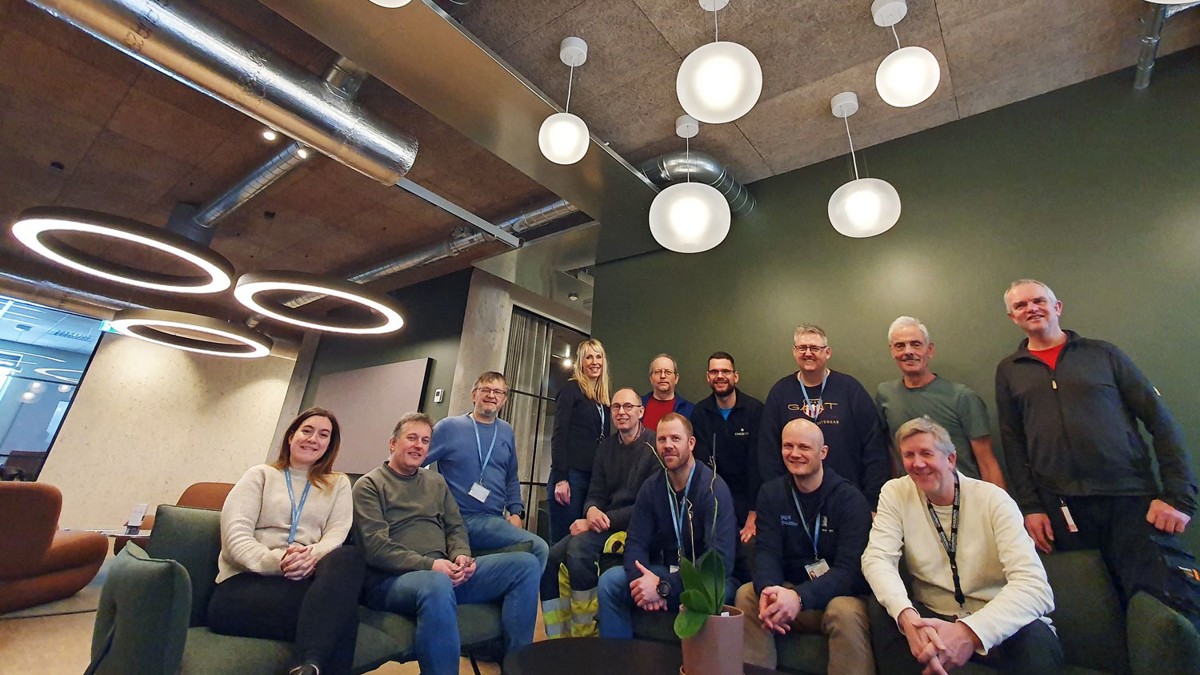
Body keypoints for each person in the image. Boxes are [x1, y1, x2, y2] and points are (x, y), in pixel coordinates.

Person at [994, 278, 1200, 627]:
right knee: (1097, 616)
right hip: (1063, 510)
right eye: (1021, 306)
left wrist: (1180, 497)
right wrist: (1030, 507)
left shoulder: (1103, 354)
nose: (1031, 308)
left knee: (1167, 608)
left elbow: (1160, 421)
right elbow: (1013, 444)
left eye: (1039, 301)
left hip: (1132, 502)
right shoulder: (1009, 371)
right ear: (1012, 317)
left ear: (1057, 307)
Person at [862, 417, 1062, 675]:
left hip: (996, 618)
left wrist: (969, 632)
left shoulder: (993, 500)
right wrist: (906, 615)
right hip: (932, 618)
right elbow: (876, 558)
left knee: (1036, 639)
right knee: (882, 610)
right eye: (909, 455)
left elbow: (1036, 589)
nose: (918, 463)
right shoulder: (895, 492)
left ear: (951, 459)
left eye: (926, 453)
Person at [354, 412, 539, 675]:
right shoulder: (369, 485)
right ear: (393, 443)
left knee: (526, 565)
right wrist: (431, 566)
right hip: (392, 581)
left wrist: (462, 555)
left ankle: (516, 667)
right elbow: (376, 548)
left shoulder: (436, 482)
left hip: (444, 574)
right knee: (437, 582)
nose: (419, 445)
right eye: (412, 438)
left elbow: (455, 527)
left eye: (425, 440)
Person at [208, 408, 364, 675]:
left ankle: (307, 666)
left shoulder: (337, 484)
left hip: (304, 580)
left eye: (323, 434)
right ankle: (309, 662)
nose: (314, 439)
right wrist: (279, 561)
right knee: (344, 614)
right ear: (291, 436)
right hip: (243, 586)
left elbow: (337, 533)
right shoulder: (260, 475)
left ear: (329, 445)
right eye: (307, 430)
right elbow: (236, 538)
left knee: (349, 556)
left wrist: (309, 557)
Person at [735, 418, 873, 674]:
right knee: (748, 594)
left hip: (836, 597)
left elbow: (849, 571)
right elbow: (766, 552)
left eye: (804, 447)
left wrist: (799, 598)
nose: (795, 454)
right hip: (788, 593)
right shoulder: (771, 493)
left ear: (823, 452)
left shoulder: (850, 500)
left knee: (844, 610)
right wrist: (770, 591)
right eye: (788, 446)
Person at [596, 413, 737, 638]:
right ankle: (618, 661)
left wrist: (663, 587)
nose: (668, 446)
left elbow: (718, 561)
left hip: (707, 579)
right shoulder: (651, 488)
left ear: (691, 443)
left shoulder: (713, 490)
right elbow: (635, 542)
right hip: (665, 572)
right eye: (662, 440)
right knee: (610, 582)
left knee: (718, 592)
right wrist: (642, 584)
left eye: (675, 439)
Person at [540, 387, 661, 638]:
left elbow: (647, 506)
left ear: (641, 411)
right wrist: (592, 510)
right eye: (616, 407)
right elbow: (595, 492)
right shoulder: (605, 448)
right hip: (603, 523)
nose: (621, 412)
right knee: (550, 558)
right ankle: (558, 637)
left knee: (578, 550)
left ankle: (585, 635)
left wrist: (603, 521)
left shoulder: (654, 448)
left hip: (633, 528)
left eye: (628, 407)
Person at [425, 371, 548, 570]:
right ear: (474, 395)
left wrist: (517, 512)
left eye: (498, 392)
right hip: (460, 518)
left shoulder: (506, 431)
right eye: (486, 390)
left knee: (524, 561)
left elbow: (511, 477)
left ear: (504, 400)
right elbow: (417, 461)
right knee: (539, 548)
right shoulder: (449, 427)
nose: (492, 395)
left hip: (495, 519)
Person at [759, 324, 890, 508]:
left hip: (847, 498)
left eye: (814, 348)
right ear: (794, 352)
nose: (808, 353)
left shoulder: (850, 389)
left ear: (827, 352)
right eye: (802, 348)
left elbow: (874, 447)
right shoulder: (780, 392)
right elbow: (768, 452)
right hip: (794, 500)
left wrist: (872, 501)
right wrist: (779, 497)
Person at [876, 316, 1006, 487]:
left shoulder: (962, 397)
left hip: (961, 498)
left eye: (916, 344)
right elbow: (890, 452)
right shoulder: (885, 394)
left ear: (930, 350)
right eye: (900, 345)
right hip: (913, 501)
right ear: (892, 351)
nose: (908, 351)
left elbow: (987, 462)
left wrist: (998, 509)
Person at [549, 338, 612, 543]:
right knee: (563, 541)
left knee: (581, 542)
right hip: (570, 477)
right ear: (581, 363)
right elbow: (560, 434)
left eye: (599, 356)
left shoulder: (603, 400)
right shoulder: (571, 390)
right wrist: (561, 478)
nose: (595, 362)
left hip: (592, 478)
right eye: (589, 357)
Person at [641, 353, 694, 431]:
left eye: (668, 372)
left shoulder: (690, 410)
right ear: (651, 378)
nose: (662, 376)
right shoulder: (638, 405)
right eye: (657, 372)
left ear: (676, 378)